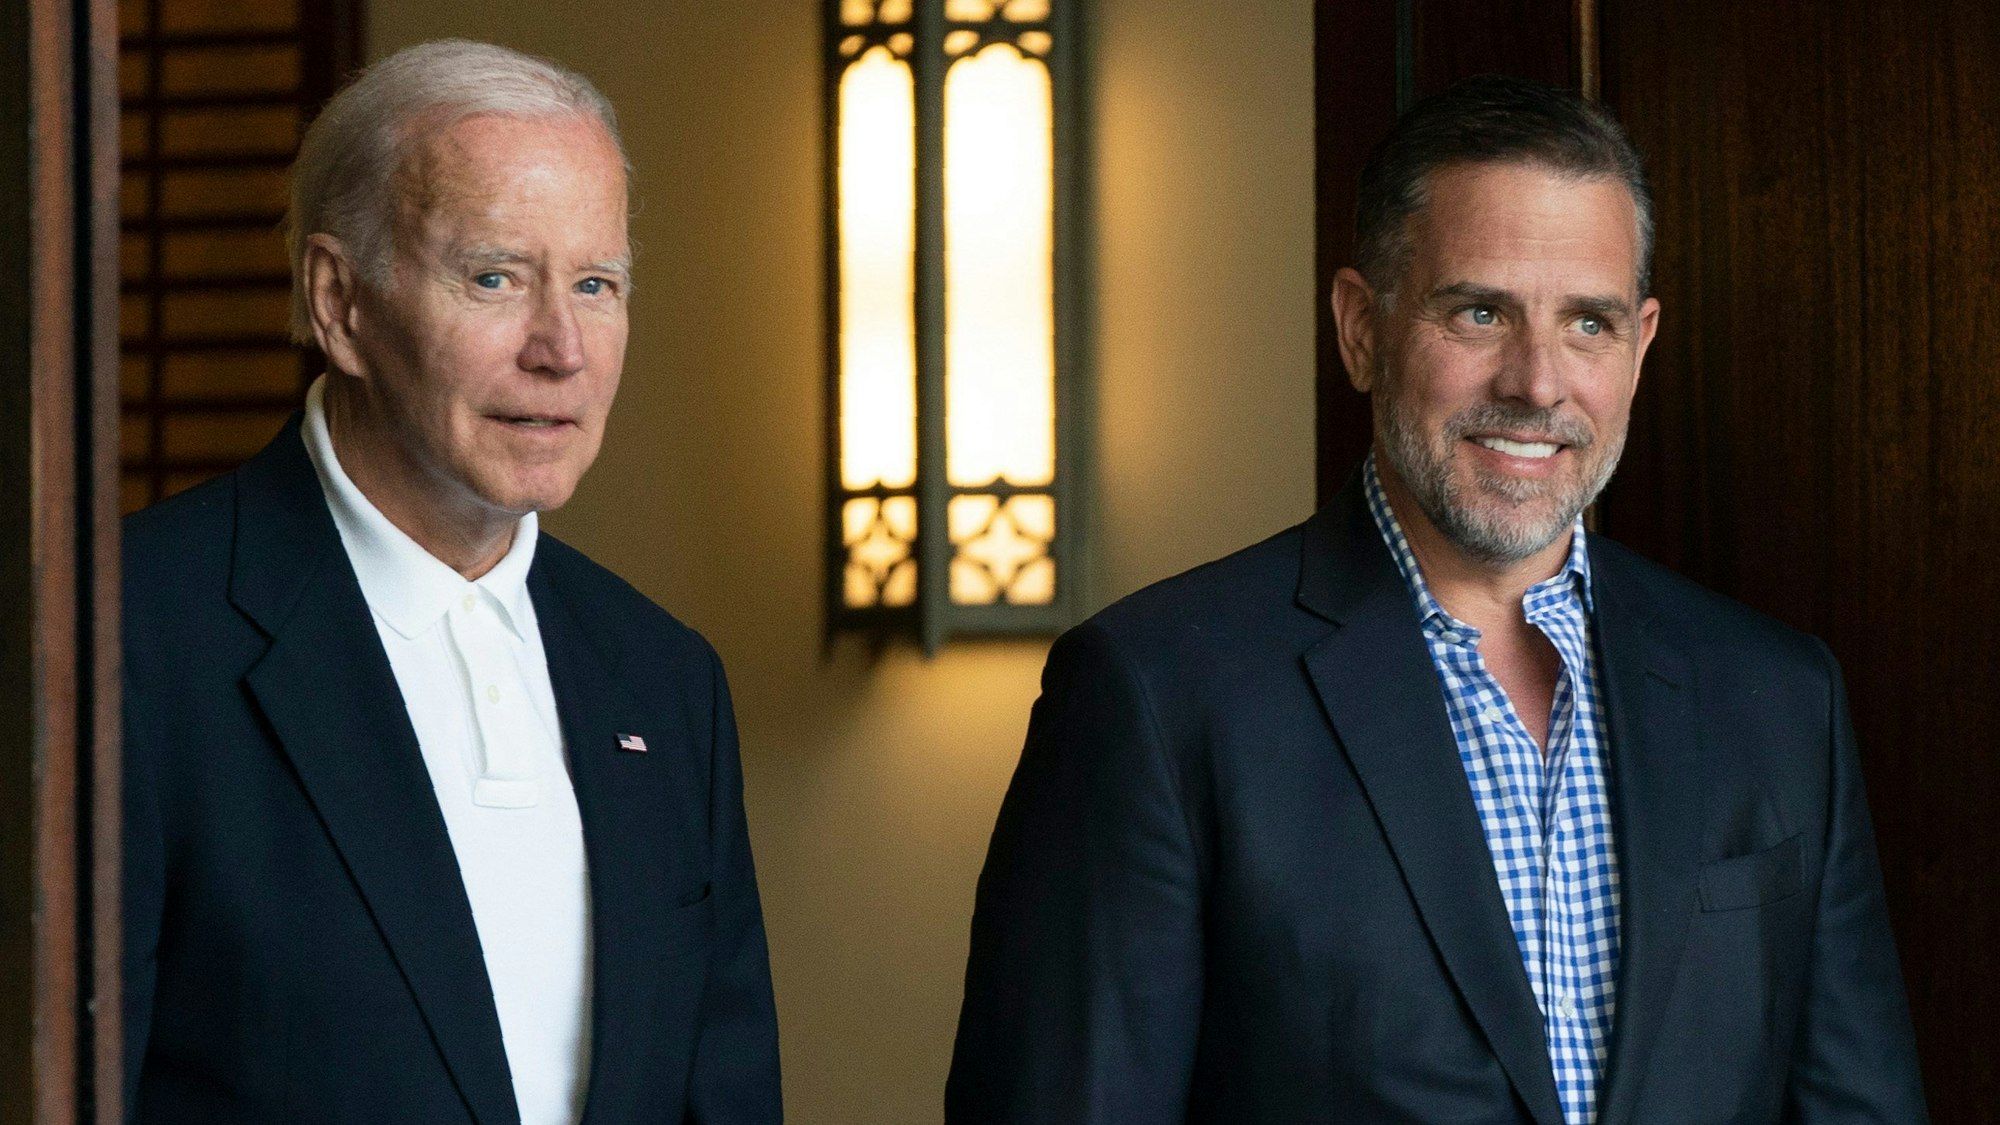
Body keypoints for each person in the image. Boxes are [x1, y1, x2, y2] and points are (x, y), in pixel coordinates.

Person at [946, 74, 1926, 1123]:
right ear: (1360, 328)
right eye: (1479, 312)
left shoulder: (1777, 699)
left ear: (1639, 347)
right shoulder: (1156, 696)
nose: (1536, 383)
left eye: (1587, 323)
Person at [121, 39, 780, 1124]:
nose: (561, 348)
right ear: (339, 302)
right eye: (494, 278)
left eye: (596, 285)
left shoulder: (664, 680)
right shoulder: (127, 639)